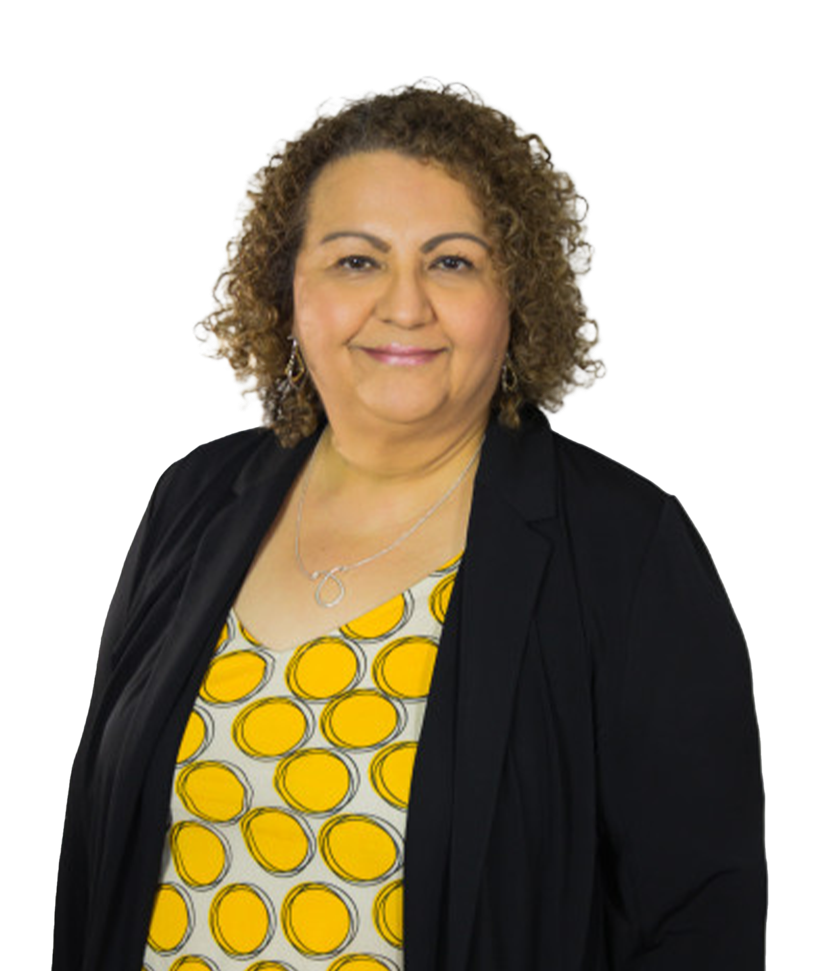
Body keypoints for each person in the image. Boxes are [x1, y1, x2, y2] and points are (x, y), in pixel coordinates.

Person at [53, 77, 766, 971]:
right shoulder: (193, 500)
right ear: (287, 288)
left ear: (517, 294)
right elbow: (95, 858)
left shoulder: (627, 549)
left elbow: (702, 920)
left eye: (451, 261)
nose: (403, 305)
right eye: (357, 260)